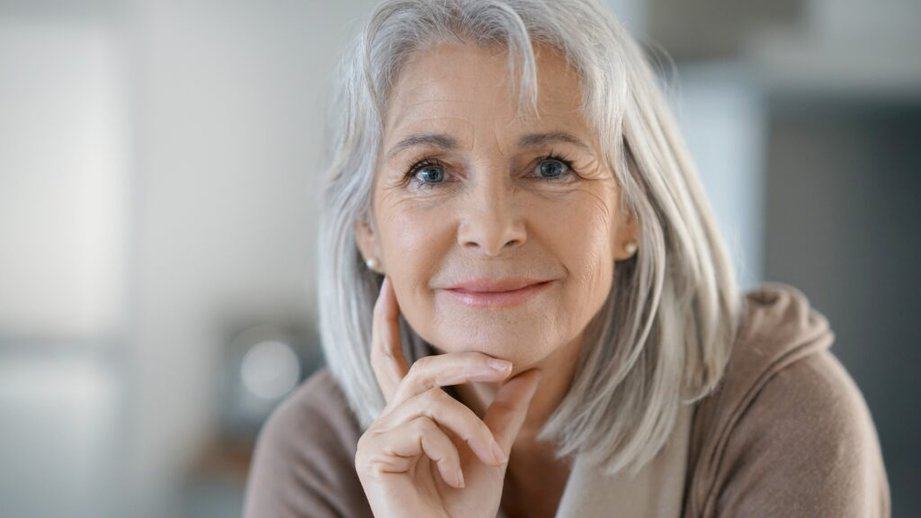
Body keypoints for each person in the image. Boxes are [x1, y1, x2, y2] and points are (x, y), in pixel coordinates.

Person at [243, 0, 890, 516]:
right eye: (429, 172)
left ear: (630, 211)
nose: (491, 230)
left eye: (550, 166)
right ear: (367, 231)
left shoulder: (778, 414)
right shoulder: (319, 450)